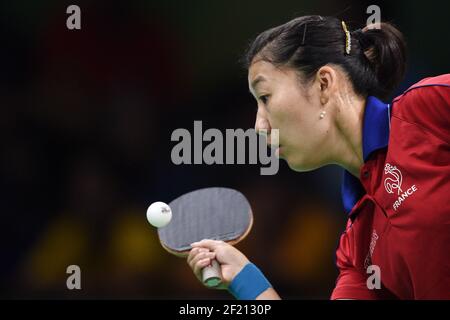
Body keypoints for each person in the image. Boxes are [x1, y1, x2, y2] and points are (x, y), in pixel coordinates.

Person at [187, 15, 450, 299]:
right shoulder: (358, 245)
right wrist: (244, 278)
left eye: (265, 97)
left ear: (324, 83)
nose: (258, 127)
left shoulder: (428, 110)